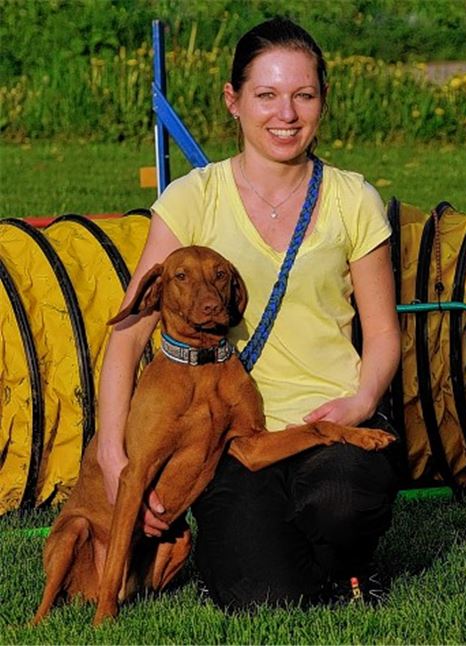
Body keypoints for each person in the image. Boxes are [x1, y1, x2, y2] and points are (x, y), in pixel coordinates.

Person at [96, 17, 403, 609]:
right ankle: (289, 558)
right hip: (236, 439)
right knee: (260, 597)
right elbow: (129, 335)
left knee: (342, 500)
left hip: (328, 413)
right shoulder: (193, 197)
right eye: (266, 95)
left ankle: (350, 565)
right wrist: (114, 454)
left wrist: (361, 403)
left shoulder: (352, 198)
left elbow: (386, 330)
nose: (285, 114)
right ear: (233, 101)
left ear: (322, 102)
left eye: (303, 95)